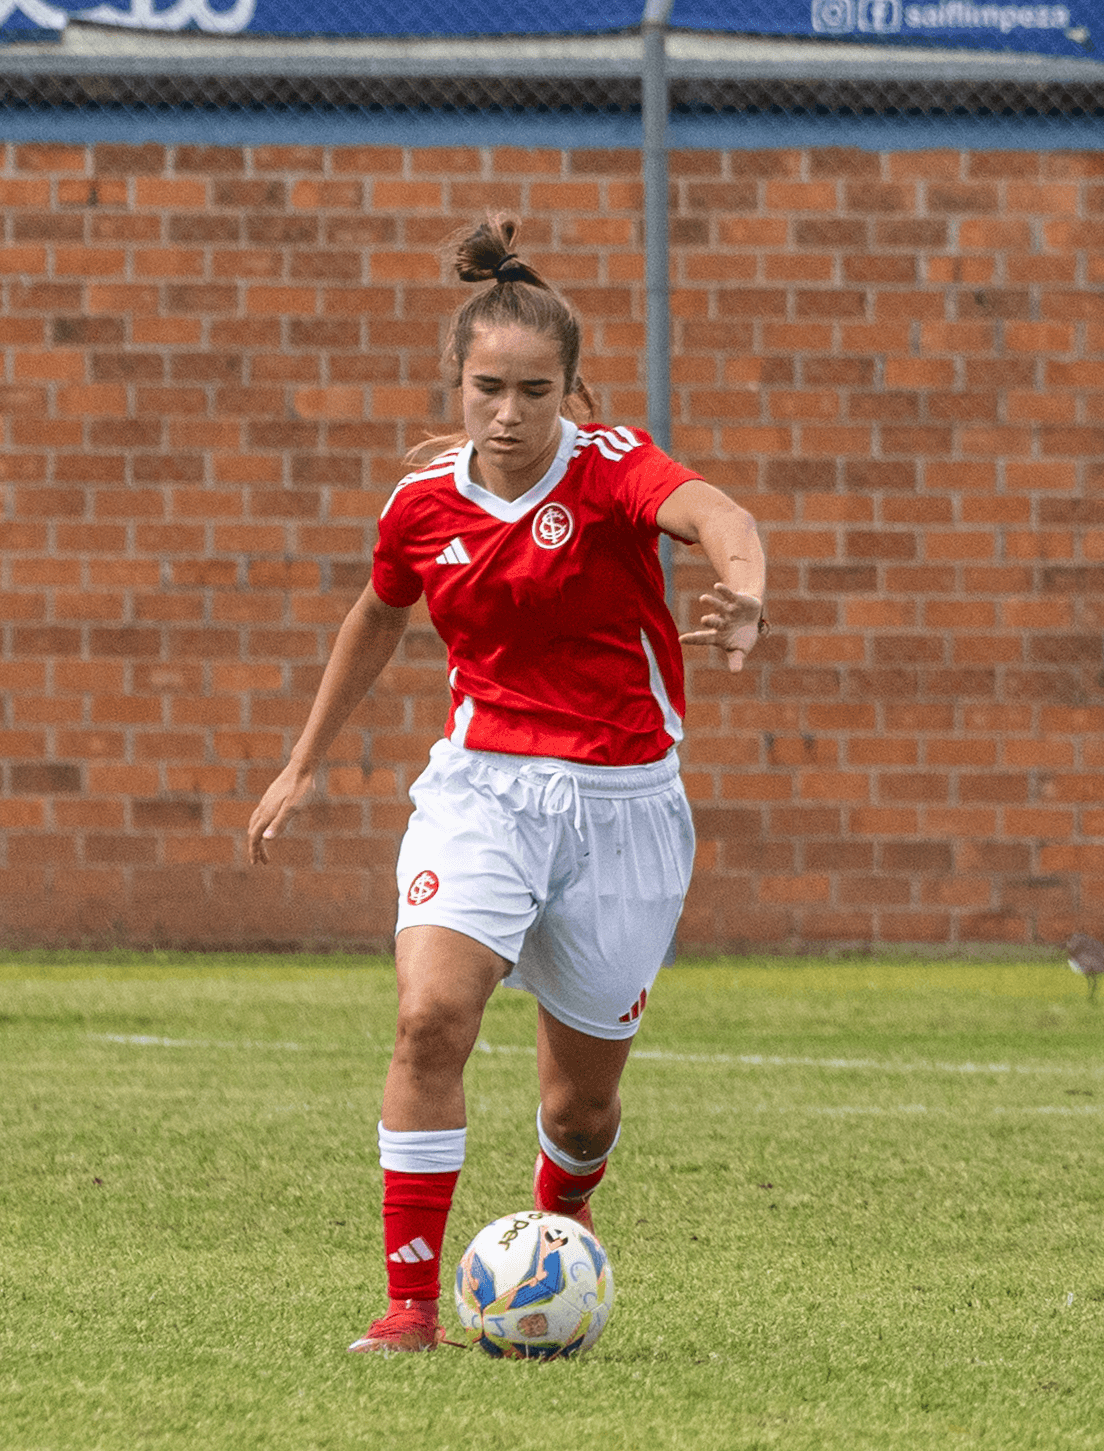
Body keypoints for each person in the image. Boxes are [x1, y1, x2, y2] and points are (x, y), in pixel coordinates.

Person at [245, 214, 769, 1354]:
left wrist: (747, 592)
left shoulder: (618, 469)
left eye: (536, 390)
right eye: (489, 386)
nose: (509, 412)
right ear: (459, 381)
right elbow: (376, 617)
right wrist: (300, 761)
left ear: (572, 393)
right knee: (429, 1018)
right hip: (481, 790)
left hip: (625, 806)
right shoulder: (420, 505)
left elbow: (719, 517)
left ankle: (559, 1228)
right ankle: (408, 1306)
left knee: (579, 1107)